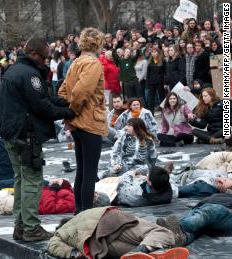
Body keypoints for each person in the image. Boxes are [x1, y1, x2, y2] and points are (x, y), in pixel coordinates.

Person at [0, 38, 75, 242]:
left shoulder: (14, 71)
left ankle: (21, 225)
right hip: (26, 135)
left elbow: (43, 99)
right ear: (33, 53)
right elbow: (42, 105)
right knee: (32, 180)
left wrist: (62, 103)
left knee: (21, 180)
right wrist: (68, 111)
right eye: (43, 57)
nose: (45, 61)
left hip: (12, 133)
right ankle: (31, 227)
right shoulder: (30, 75)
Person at [58, 28, 107, 214]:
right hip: (89, 123)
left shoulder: (75, 62)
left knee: (81, 170)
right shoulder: (93, 63)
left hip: (78, 124)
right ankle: (85, 213)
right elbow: (81, 92)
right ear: (97, 43)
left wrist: (70, 115)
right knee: (89, 171)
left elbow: (62, 91)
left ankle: (79, 212)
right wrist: (72, 112)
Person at [47, 206, 188, 259]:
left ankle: (149, 251)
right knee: (161, 232)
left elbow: (52, 245)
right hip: (111, 221)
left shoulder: (61, 233)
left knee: (129, 252)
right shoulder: (83, 214)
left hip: (98, 246)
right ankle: (148, 248)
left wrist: (72, 253)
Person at [157, 193, 232, 247]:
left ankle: (179, 226)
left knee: (209, 213)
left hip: (223, 211)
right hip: (209, 211)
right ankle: (183, 238)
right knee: (200, 228)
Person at [146, 47, 166, 114]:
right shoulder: (150, 61)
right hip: (151, 82)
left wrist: (165, 82)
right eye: (152, 52)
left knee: (162, 98)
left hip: (160, 82)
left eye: (155, 52)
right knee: (151, 99)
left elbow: (165, 72)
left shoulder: (162, 61)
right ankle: (151, 114)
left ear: (158, 52)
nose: (154, 53)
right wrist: (147, 84)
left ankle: (164, 113)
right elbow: (148, 74)